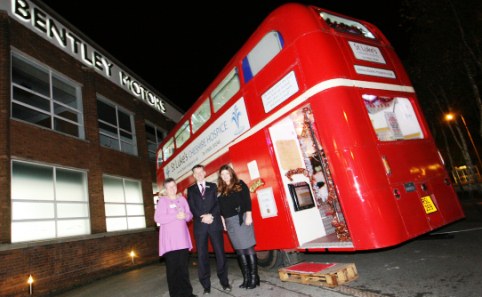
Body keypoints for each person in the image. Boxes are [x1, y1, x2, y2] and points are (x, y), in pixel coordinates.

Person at [187, 164, 231, 295]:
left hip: (214, 223)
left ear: (205, 173)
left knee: (220, 253)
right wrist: (202, 217)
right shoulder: (191, 190)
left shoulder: (213, 187)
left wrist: (210, 215)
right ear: (194, 175)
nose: (199, 174)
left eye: (201, 172)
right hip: (200, 226)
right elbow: (192, 207)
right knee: (202, 256)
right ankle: (206, 286)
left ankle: (224, 282)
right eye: (196, 173)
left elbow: (218, 204)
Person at [217, 164, 259, 289]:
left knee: (247, 247)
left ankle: (253, 277)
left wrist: (249, 215)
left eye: (227, 173)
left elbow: (247, 200)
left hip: (241, 218)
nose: (225, 176)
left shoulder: (239, 184)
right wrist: (223, 221)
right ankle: (247, 278)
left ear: (231, 173)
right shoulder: (220, 190)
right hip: (230, 222)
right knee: (239, 250)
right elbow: (220, 209)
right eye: (222, 174)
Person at [154, 178, 197, 297]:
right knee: (173, 271)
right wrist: (175, 216)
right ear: (166, 190)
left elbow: (189, 215)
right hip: (170, 242)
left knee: (183, 269)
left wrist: (185, 215)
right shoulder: (162, 201)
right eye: (170, 187)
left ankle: (187, 293)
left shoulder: (182, 199)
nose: (173, 189)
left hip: (182, 240)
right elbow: (158, 218)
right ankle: (175, 294)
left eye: (174, 186)